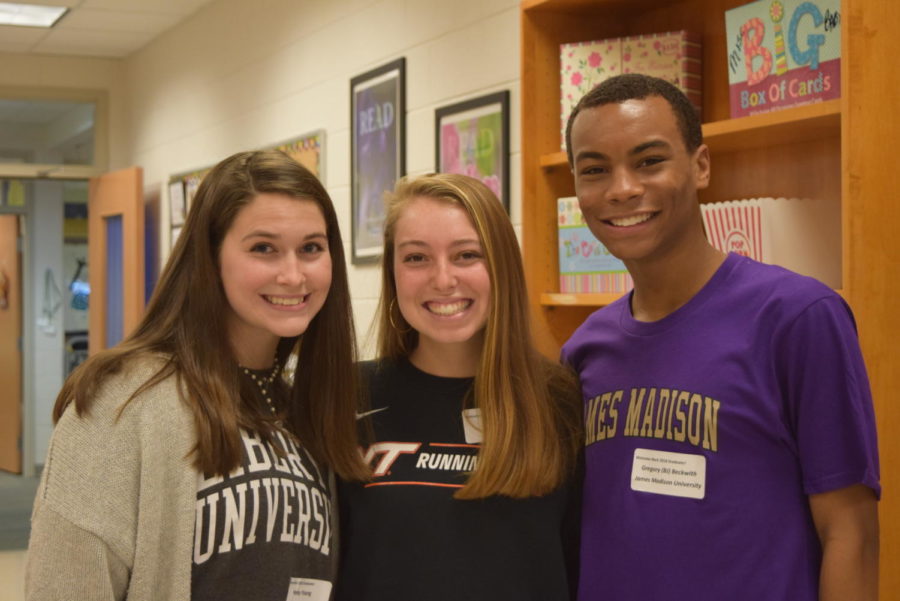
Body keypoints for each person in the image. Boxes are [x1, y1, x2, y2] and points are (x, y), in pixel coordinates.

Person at [562, 73, 880, 601]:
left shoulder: (799, 318)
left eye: (649, 161)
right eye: (594, 170)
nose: (622, 189)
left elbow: (851, 534)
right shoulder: (584, 349)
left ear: (701, 165)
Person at [25, 150, 368, 601]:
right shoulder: (124, 400)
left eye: (311, 249)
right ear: (210, 257)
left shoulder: (302, 409)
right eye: (263, 248)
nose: (293, 274)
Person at [335, 173, 583, 600]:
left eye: (467, 255)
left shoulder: (559, 399)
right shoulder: (346, 395)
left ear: (501, 266)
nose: (443, 279)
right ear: (392, 273)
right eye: (416, 258)